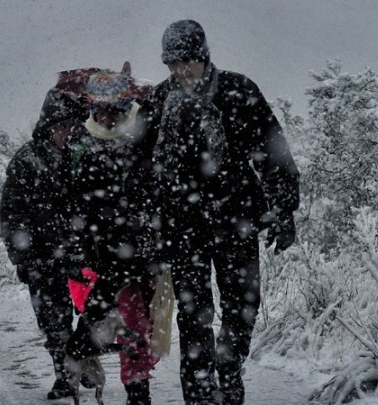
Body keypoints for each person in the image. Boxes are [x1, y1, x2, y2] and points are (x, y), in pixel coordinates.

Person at [137, 20, 300, 404]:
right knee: (193, 316)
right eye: (172, 65)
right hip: (182, 225)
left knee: (243, 306)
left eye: (187, 62)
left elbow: (272, 152)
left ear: (203, 56)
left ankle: (229, 367)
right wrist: (148, 224)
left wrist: (283, 209)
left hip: (236, 219)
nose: (180, 72)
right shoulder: (160, 102)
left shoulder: (237, 91)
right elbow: (140, 170)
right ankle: (199, 392)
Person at [61, 68, 159, 405]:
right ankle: (130, 387)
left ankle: (137, 390)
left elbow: (156, 194)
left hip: (140, 253)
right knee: (117, 322)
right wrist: (76, 248)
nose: (107, 118)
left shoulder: (144, 140)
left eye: (114, 110)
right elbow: (73, 204)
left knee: (136, 324)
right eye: (101, 110)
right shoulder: (80, 147)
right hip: (102, 255)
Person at [0, 87, 91, 400]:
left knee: (91, 311)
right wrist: (22, 256)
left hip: (79, 253)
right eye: (63, 127)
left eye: (72, 128)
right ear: (50, 125)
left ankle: (83, 359)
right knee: (53, 319)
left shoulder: (80, 156)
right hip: (42, 257)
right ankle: (65, 374)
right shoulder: (26, 160)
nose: (67, 133)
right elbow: (12, 212)